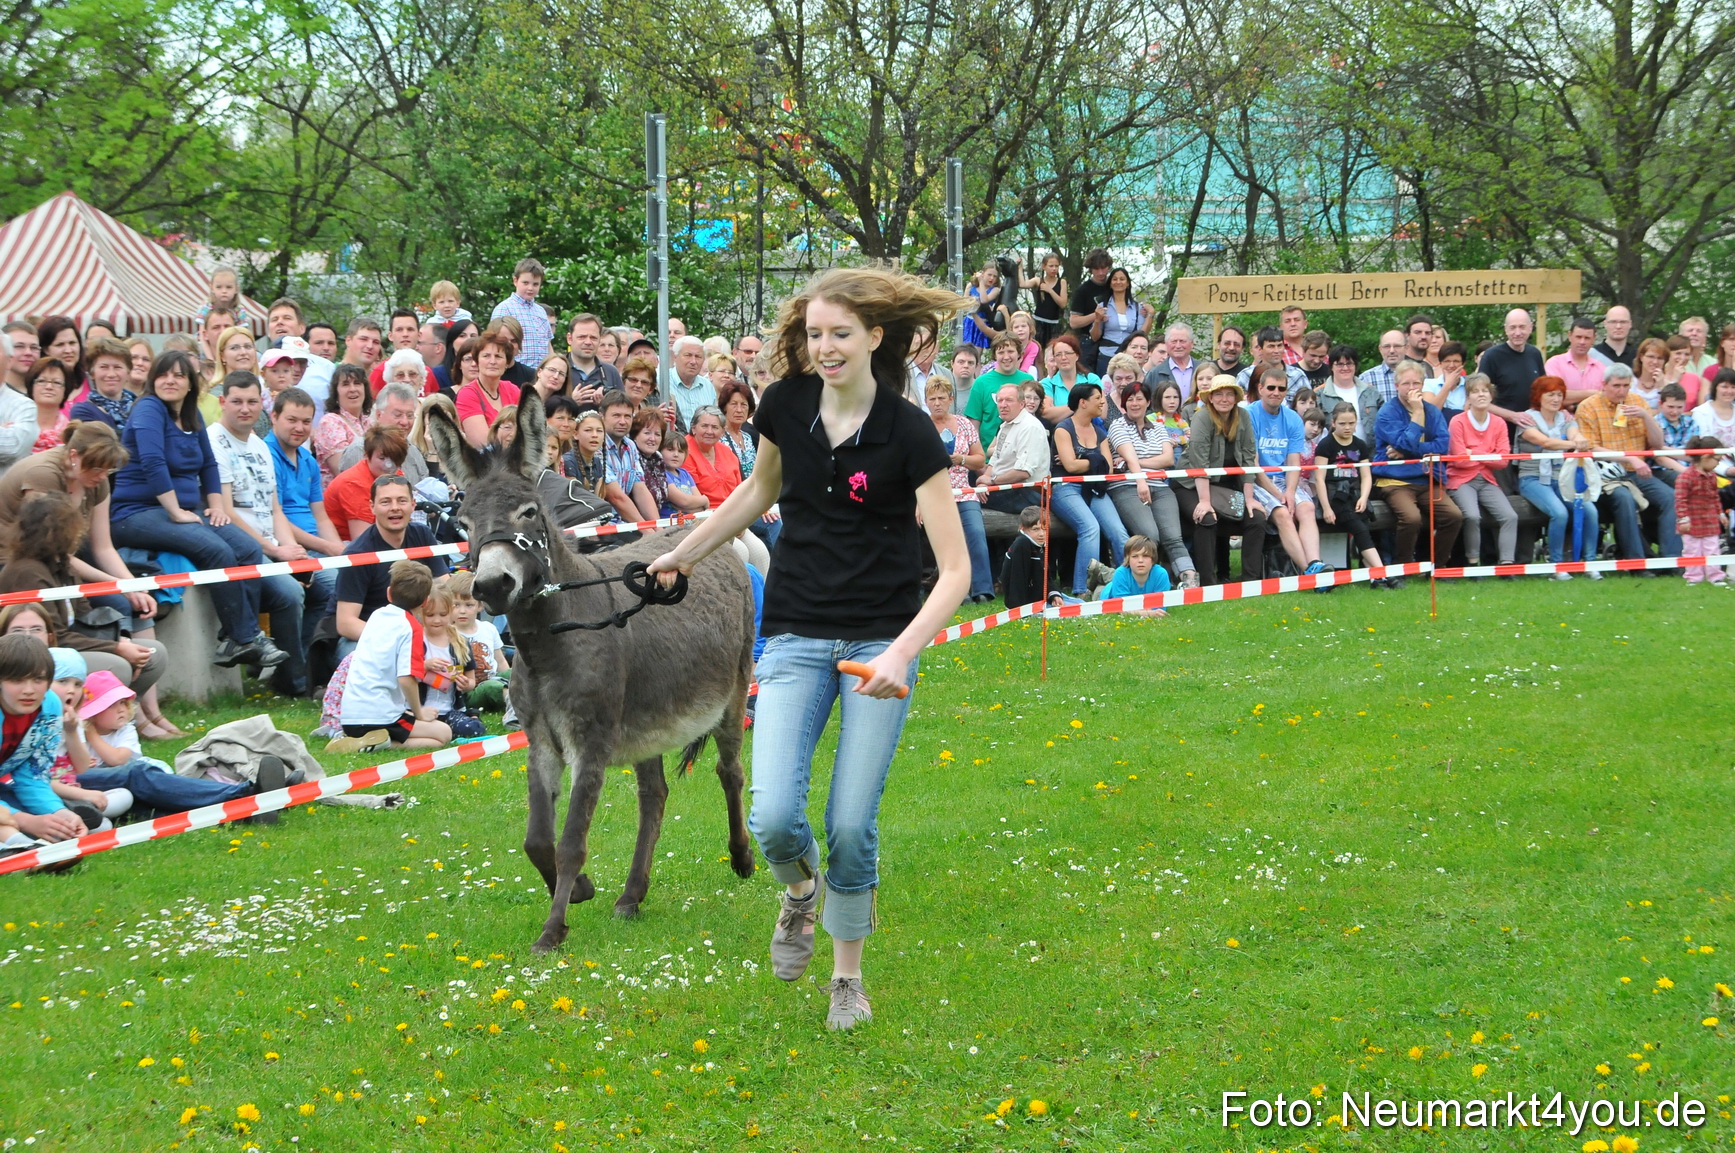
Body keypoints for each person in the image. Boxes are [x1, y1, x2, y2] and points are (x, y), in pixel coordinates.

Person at [647, 266, 970, 1032]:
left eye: (840, 335)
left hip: (877, 640)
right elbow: (758, 491)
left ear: (874, 338)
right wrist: (683, 553)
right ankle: (799, 893)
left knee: (852, 822)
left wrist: (900, 653)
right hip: (793, 631)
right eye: (815, 334)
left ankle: (846, 979)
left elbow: (955, 569)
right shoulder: (785, 405)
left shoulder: (908, 429)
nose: (824, 348)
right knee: (774, 819)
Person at [106, 350, 289, 670]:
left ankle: (235, 636)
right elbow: (152, 462)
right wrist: (176, 510)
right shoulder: (148, 409)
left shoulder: (191, 415)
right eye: (163, 374)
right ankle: (245, 637)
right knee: (216, 550)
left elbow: (207, 464)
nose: (170, 381)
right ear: (153, 379)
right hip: (135, 513)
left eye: (179, 375)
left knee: (245, 547)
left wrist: (216, 506)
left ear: (191, 384)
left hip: (185, 511)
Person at [208, 372, 321, 694]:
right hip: (244, 548)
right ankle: (294, 685)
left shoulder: (258, 446)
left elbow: (274, 511)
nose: (245, 409)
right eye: (237, 401)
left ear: (262, 404)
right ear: (222, 402)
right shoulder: (214, 442)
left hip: (274, 546)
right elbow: (227, 512)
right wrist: (276, 552)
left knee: (325, 586)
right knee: (290, 594)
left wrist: (294, 553)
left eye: (252, 401)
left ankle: (303, 673)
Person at [333, 560, 452, 752]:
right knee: (443, 734)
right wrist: (419, 712)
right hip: (380, 717)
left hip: (349, 716)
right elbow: (406, 679)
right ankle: (374, 745)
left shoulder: (377, 615)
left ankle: (361, 739)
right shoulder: (411, 627)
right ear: (425, 602)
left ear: (389, 593)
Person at [331, 475, 450, 660]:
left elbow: (446, 589)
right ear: (372, 506)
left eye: (401, 501)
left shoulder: (423, 536)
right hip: (370, 635)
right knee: (357, 657)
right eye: (386, 502)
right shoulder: (357, 554)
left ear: (413, 504)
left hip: (421, 628)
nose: (395, 507)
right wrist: (398, 641)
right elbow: (346, 623)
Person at [1574, 363, 1679, 566]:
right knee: (1625, 500)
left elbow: (1657, 444)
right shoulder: (1588, 407)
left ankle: (1670, 561)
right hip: (1607, 476)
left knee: (1670, 498)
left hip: (1639, 473)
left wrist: (1646, 416)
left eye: (1626, 386)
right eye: (1616, 386)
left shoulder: (1637, 402)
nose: (1621, 391)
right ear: (1604, 384)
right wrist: (1629, 458)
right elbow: (1591, 449)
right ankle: (1636, 563)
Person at [1106, 377, 1199, 588]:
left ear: (1148, 402)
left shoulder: (1158, 428)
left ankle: (1189, 578)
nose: (1135, 403)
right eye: (1130, 399)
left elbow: (1167, 459)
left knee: (1173, 536)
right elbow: (1127, 456)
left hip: (1159, 485)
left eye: (1140, 399)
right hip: (1128, 486)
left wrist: (1133, 463)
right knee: (1150, 535)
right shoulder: (1117, 425)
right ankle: (1146, 582)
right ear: (1124, 403)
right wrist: (1140, 480)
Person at [1372, 360, 1463, 571]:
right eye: (1406, 383)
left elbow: (1442, 445)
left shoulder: (1433, 411)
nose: (1412, 388)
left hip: (1427, 478)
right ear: (1397, 386)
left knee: (1453, 516)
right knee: (1411, 519)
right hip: (1395, 480)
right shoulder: (1387, 412)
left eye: (1416, 383)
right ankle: (1402, 567)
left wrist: (1407, 451)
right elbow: (1406, 442)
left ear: (1423, 384)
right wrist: (1417, 414)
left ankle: (1436, 567)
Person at [0, 633, 88, 844]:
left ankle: (28, 846)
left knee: (60, 825)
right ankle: (21, 849)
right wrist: (25, 820)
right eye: (16, 680)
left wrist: (58, 811)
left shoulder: (50, 707)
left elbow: (33, 773)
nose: (29, 690)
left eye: (38, 679)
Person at [1177, 375, 1263, 585]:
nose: (1224, 399)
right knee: (1206, 518)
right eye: (1219, 394)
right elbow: (1199, 463)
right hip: (1190, 484)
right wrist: (1204, 502)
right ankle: (1208, 583)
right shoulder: (1202, 417)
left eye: (1229, 394)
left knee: (1257, 517)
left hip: (1227, 485)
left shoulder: (1243, 416)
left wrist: (1250, 498)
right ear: (1211, 398)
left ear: (1235, 397)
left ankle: (1250, 581)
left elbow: (1249, 456)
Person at [1245, 364, 1328, 576]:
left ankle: (1315, 562)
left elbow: (1294, 462)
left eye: (1281, 389)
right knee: (1282, 513)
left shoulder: (1292, 418)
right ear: (1260, 388)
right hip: (1256, 479)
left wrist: (1290, 492)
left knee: (1307, 508)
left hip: (1285, 478)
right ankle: (1309, 571)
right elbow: (1253, 465)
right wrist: (1279, 495)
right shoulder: (1248, 414)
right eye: (1271, 388)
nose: (1276, 393)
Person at [1516, 376, 1600, 577]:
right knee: (1559, 513)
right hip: (1532, 479)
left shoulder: (1566, 418)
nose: (1555, 399)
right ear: (1539, 396)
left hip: (1560, 478)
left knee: (1590, 511)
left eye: (1559, 395)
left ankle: (1590, 563)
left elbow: (1576, 435)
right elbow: (1545, 442)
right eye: (1550, 394)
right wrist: (1574, 444)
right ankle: (1556, 566)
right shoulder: (1526, 419)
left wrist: (1579, 439)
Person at [925, 376, 992, 602]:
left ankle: (982, 590)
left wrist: (961, 459)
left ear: (950, 399)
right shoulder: (920, 426)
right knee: (946, 539)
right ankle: (956, 592)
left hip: (964, 490)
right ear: (926, 402)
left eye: (941, 398)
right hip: (934, 494)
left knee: (975, 532)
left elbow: (980, 459)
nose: (937, 403)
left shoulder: (964, 424)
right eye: (932, 399)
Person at [1445, 376, 1520, 570]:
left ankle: (1506, 563)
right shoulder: (1457, 421)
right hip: (1461, 479)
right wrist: (1488, 455)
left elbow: (1503, 461)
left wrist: (1473, 452)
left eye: (1485, 390)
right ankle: (1473, 563)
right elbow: (1460, 459)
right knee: (1472, 516)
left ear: (1491, 395)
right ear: (1468, 397)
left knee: (1510, 516)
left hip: (1487, 479)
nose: (1481, 395)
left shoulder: (1499, 423)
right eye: (1476, 391)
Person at [1313, 404, 1389, 582]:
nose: (1347, 427)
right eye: (1342, 423)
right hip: (1334, 497)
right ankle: (1382, 573)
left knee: (1365, 526)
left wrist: (1363, 497)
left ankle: (1374, 577)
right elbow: (1319, 479)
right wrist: (1326, 508)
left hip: (1355, 494)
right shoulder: (1325, 445)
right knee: (1359, 528)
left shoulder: (1360, 445)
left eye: (1351, 423)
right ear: (1333, 423)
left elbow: (1366, 476)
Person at [324, 424, 410, 542]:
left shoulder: (395, 474)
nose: (389, 465)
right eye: (382, 458)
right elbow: (361, 540)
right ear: (366, 455)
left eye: (395, 459)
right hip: (344, 545)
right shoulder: (354, 484)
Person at [445, 569, 513, 716]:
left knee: (516, 672)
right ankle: (516, 707)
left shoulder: (488, 628)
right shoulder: (447, 634)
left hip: (493, 676)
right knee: (491, 687)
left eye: (469, 605)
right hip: (470, 691)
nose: (462, 611)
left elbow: (500, 662)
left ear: (480, 606)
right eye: (456, 605)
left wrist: (509, 676)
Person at [980, 382, 1049, 513]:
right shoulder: (1005, 425)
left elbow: (1023, 472)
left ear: (1022, 404)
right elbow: (995, 459)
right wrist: (984, 483)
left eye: (1009, 400)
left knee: (968, 499)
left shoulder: (1030, 427)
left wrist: (992, 481)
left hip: (1028, 493)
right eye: (1000, 400)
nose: (1003, 405)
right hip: (1007, 487)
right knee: (969, 483)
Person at [964, 335, 1036, 450]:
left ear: (1019, 354)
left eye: (1011, 351)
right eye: (1001, 352)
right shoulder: (981, 383)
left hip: (1022, 453)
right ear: (994, 356)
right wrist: (979, 459)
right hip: (989, 458)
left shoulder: (1028, 380)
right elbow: (974, 425)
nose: (1006, 357)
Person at [1675, 436, 1729, 586]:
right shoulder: (1685, 477)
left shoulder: (1712, 477)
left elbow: (1715, 497)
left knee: (1712, 548)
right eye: (1717, 460)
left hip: (1710, 520)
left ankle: (1715, 576)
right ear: (1706, 457)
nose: (1718, 463)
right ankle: (1693, 577)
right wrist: (1683, 519)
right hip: (1692, 522)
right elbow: (1680, 500)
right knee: (1692, 550)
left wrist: (1720, 513)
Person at [1477, 309, 1546, 426]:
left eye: (1522, 327)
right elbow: (1478, 400)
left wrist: (1560, 410)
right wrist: (1512, 416)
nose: (1518, 333)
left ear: (1530, 327)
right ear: (1506, 329)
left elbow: (1545, 392)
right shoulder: (1492, 356)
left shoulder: (1535, 354)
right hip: (1502, 428)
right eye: (1513, 327)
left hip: (1532, 428)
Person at [456, 330, 522, 450]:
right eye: (486, 356)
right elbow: (483, 444)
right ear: (477, 361)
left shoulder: (512, 389)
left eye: (498, 356)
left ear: (507, 363)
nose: (492, 361)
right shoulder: (467, 394)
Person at [312, 363, 374, 478]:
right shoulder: (330, 423)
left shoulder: (370, 423)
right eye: (345, 384)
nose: (352, 389)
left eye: (357, 383)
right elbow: (343, 470)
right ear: (336, 393)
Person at [1086, 268, 1151, 374]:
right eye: (1115, 279)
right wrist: (1097, 320)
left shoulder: (1137, 307)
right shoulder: (1103, 306)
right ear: (1110, 284)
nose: (1118, 282)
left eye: (1122, 279)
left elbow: (1142, 334)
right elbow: (1094, 336)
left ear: (1128, 283)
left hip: (1129, 357)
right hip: (1106, 354)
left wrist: (1150, 315)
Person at [68, 338, 137, 431]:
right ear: (92, 373)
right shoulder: (83, 411)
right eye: (104, 367)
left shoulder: (140, 406)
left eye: (117, 367)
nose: (111, 374)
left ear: (128, 373)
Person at [1099, 534, 1171, 614]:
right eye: (1135, 556)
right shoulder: (1120, 573)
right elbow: (1121, 608)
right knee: (1099, 587)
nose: (1140, 560)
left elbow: (1160, 608)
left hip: (1122, 583)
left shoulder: (1161, 574)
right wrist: (1148, 613)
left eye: (1145, 556)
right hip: (1108, 593)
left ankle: (1101, 571)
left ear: (1153, 559)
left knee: (1112, 575)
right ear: (1127, 558)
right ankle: (1097, 571)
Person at [1545, 316, 1607, 406]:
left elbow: (1606, 399)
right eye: (1578, 337)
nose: (1582, 342)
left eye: (1587, 338)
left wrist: (1570, 400)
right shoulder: (1554, 364)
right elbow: (1554, 397)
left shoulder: (1601, 369)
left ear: (1593, 339)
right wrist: (1591, 393)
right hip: (1563, 419)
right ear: (1570, 336)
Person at [1038, 333, 1098, 423]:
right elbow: (1046, 413)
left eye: (1068, 353)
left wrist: (1060, 412)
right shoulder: (1047, 383)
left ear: (1077, 356)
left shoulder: (1091, 379)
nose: (1063, 358)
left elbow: (1102, 411)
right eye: (1058, 355)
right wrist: (1080, 405)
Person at [1143, 322, 1202, 402]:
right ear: (1166, 344)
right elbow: (1146, 405)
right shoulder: (1155, 374)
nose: (1178, 346)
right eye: (1174, 341)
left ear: (1192, 344)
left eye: (1182, 341)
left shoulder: (1203, 369)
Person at [24, 357, 70, 452]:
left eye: (57, 382)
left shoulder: (70, 434)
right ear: (31, 387)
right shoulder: (17, 426)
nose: (49, 387)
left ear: (65, 390)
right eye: (41, 381)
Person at [657, 429, 708, 517]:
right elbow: (683, 501)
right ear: (660, 451)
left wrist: (698, 503)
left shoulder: (685, 474)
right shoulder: (661, 474)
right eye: (670, 450)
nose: (676, 454)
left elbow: (701, 507)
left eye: (680, 451)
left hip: (690, 522)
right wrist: (705, 500)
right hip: (670, 524)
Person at [1654, 382, 1698, 483]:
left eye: (1679, 407)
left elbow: (1693, 455)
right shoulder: (1655, 424)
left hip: (1691, 468)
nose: (1675, 412)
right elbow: (1660, 458)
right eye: (1670, 407)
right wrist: (1688, 474)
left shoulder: (1691, 423)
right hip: (1664, 470)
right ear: (1661, 404)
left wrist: (1663, 448)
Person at [961, 260, 1008, 349]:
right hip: (969, 321)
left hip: (982, 323)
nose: (992, 278)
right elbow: (964, 305)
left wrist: (981, 282)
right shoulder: (971, 287)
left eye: (994, 276)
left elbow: (984, 300)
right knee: (965, 349)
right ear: (983, 273)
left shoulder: (995, 290)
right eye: (989, 275)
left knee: (977, 352)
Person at [1421, 341, 1470, 421]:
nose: (1451, 365)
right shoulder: (1429, 384)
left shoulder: (1469, 385)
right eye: (1447, 361)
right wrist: (1447, 385)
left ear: (1463, 364)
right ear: (1440, 363)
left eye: (1456, 361)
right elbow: (1431, 413)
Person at [1025, 253, 1067, 346]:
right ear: (1044, 266)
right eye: (1051, 266)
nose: (1054, 269)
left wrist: (1050, 290)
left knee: (1051, 351)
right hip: (1038, 321)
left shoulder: (1062, 282)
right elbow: (1022, 284)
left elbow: (1063, 304)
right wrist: (1019, 268)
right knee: (1036, 349)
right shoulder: (1038, 280)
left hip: (1053, 323)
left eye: (1056, 266)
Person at [1358, 329, 1408, 404]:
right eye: (1387, 346)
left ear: (1406, 348)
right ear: (1380, 349)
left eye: (1397, 346)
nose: (1392, 351)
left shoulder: (1418, 375)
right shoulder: (1366, 378)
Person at [562, 411, 607, 492]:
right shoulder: (568, 461)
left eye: (599, 431)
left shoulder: (597, 461)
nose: (595, 435)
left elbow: (599, 499)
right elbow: (575, 497)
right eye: (588, 430)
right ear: (575, 434)